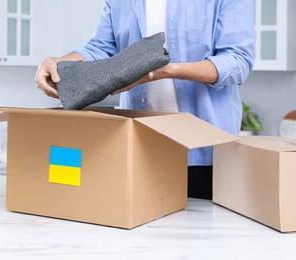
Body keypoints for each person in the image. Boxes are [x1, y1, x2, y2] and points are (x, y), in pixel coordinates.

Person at [35, 0, 255, 200]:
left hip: (206, 150)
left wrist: (167, 71)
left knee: (204, 234)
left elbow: (237, 60)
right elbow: (100, 48)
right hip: (140, 148)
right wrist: (60, 63)